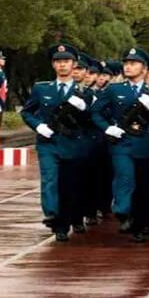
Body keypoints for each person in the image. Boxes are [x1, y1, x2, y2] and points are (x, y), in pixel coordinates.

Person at [90, 47, 149, 242]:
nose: (128, 66)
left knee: (145, 186)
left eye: (133, 63)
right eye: (126, 63)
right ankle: (123, 210)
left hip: (148, 145)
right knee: (125, 176)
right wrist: (107, 128)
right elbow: (96, 112)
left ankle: (143, 223)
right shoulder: (114, 89)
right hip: (123, 142)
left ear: (144, 69)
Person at [20, 44, 93, 241]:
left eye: (66, 61)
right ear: (53, 65)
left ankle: (70, 218)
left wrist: (84, 109)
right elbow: (27, 111)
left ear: (74, 64)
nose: (62, 65)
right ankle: (53, 216)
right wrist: (38, 126)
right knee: (50, 179)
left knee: (70, 186)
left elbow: (90, 122)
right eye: (58, 62)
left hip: (73, 144)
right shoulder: (41, 88)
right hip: (48, 143)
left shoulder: (84, 93)